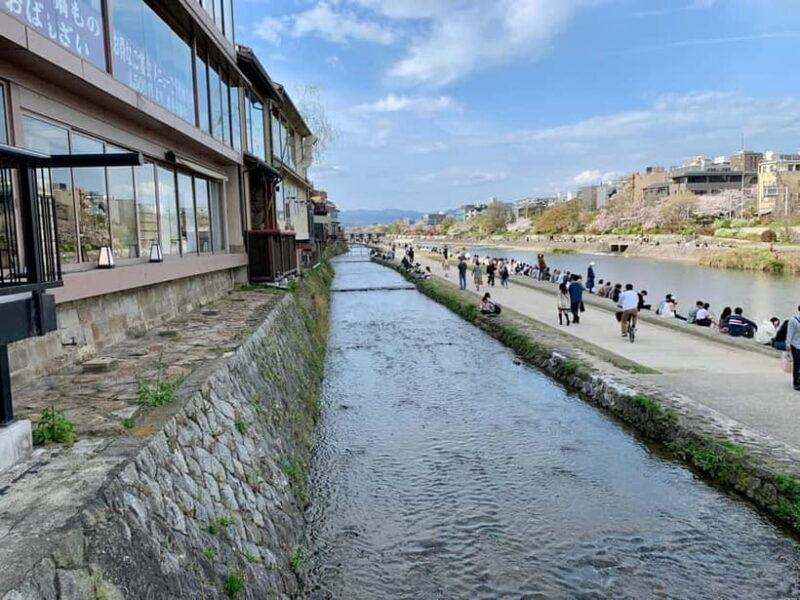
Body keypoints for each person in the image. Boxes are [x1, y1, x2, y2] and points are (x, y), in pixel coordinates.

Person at [787, 306, 800, 391]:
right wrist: (788, 345)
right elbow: (790, 333)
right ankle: (796, 382)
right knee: (797, 363)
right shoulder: (794, 320)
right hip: (795, 345)